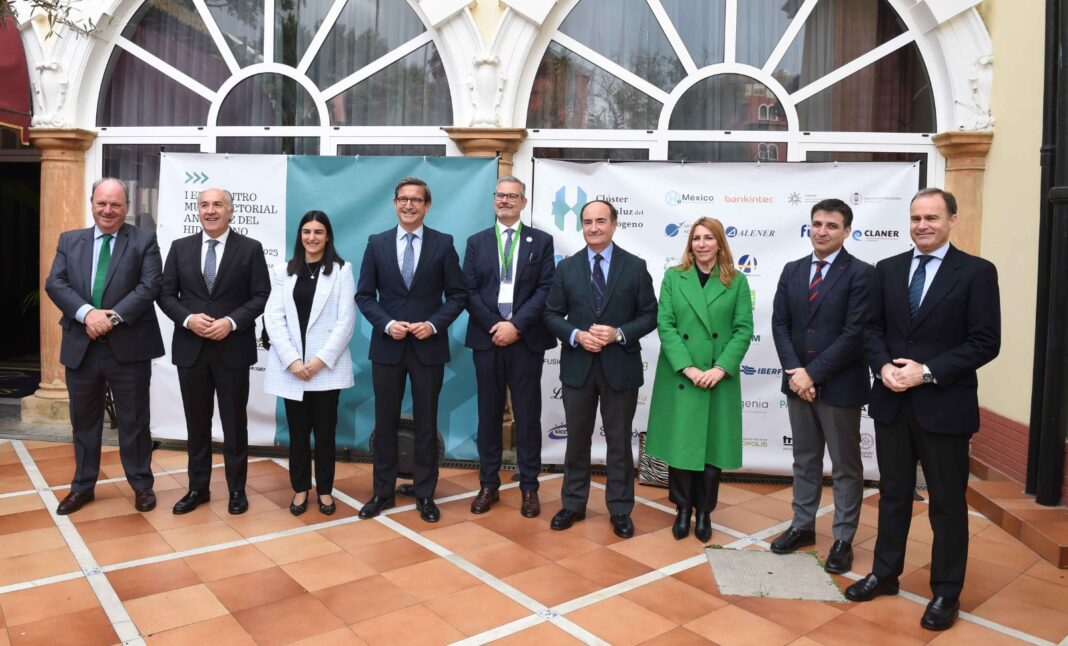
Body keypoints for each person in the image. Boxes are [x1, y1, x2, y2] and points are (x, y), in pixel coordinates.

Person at [846, 188, 1001, 632]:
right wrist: (882, 368)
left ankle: (946, 592)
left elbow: (985, 342)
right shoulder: (888, 269)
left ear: (952, 219)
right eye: (916, 218)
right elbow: (871, 329)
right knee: (893, 495)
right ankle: (885, 574)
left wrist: (927, 372)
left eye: (932, 217)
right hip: (892, 404)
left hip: (944, 408)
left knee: (946, 505)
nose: (922, 225)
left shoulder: (977, 272)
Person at [44, 178, 165, 515]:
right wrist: (88, 314)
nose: (108, 210)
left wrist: (110, 319)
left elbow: (150, 285)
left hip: (129, 346)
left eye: (115, 204)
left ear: (126, 207)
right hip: (82, 346)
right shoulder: (70, 240)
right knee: (83, 421)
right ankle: (83, 487)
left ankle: (141, 485)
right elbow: (55, 283)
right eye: (102, 203)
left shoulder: (143, 240)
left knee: (134, 420)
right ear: (92, 203)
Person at [769, 199, 874, 571]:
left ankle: (843, 538)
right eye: (817, 224)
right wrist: (796, 372)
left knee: (845, 466)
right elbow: (780, 324)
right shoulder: (793, 270)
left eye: (831, 225)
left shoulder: (862, 274)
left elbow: (854, 333)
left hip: (839, 387)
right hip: (798, 384)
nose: (822, 231)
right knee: (805, 460)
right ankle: (802, 526)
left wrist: (811, 374)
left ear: (847, 231)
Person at [543, 200, 657, 538]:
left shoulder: (635, 266)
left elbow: (650, 315)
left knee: (619, 442)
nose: (594, 227)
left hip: (620, 367)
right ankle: (573, 504)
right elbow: (550, 314)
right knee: (576, 440)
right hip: (578, 367)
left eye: (601, 221)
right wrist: (576, 335)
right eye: (588, 221)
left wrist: (618, 333)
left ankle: (620, 510)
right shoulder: (566, 268)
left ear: (614, 224)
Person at [355, 177, 466, 523]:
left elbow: (458, 295)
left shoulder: (443, 244)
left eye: (416, 200)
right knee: (385, 422)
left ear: (427, 206)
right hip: (387, 347)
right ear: (394, 203)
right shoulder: (376, 243)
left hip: (427, 348)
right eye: (403, 199)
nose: (408, 205)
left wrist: (433, 324)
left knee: (426, 423)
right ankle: (382, 493)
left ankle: (425, 493)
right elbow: (364, 295)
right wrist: (387, 324)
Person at [158, 188, 270, 516]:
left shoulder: (250, 248)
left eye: (217, 205)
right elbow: (165, 295)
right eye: (204, 205)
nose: (210, 210)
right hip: (191, 349)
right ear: (198, 210)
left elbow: (261, 294)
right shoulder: (180, 248)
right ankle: (198, 489)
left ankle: (237, 491)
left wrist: (231, 323)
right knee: (197, 423)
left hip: (232, 349)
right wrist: (188, 319)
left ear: (230, 211)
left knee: (234, 424)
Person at [646, 217, 753, 543]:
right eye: (696, 238)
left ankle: (704, 512)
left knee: (712, 449)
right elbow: (666, 325)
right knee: (681, 447)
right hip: (682, 376)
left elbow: (743, 330)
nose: (702, 244)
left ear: (720, 243)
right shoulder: (674, 277)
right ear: (690, 244)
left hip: (718, 377)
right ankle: (682, 509)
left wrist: (720, 368)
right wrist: (688, 368)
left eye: (708, 238)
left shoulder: (737, 281)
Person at [462, 176, 556, 518]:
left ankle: (529, 487)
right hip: (487, 338)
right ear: (494, 200)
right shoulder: (477, 242)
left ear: (523, 202)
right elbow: (468, 290)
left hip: (525, 340)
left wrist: (515, 326)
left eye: (512, 196)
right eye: (500, 195)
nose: (504, 201)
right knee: (488, 415)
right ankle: (488, 485)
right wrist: (496, 325)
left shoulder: (541, 241)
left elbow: (546, 288)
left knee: (527, 416)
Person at [263, 211, 355, 516]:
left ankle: (325, 491)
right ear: (300, 236)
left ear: (327, 237)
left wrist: (318, 362)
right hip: (292, 369)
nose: (311, 237)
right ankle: (300, 488)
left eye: (318, 232)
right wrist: (292, 360)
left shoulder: (342, 270)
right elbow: (273, 317)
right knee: (298, 435)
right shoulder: (283, 271)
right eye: (306, 232)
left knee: (325, 435)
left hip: (325, 369)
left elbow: (346, 322)